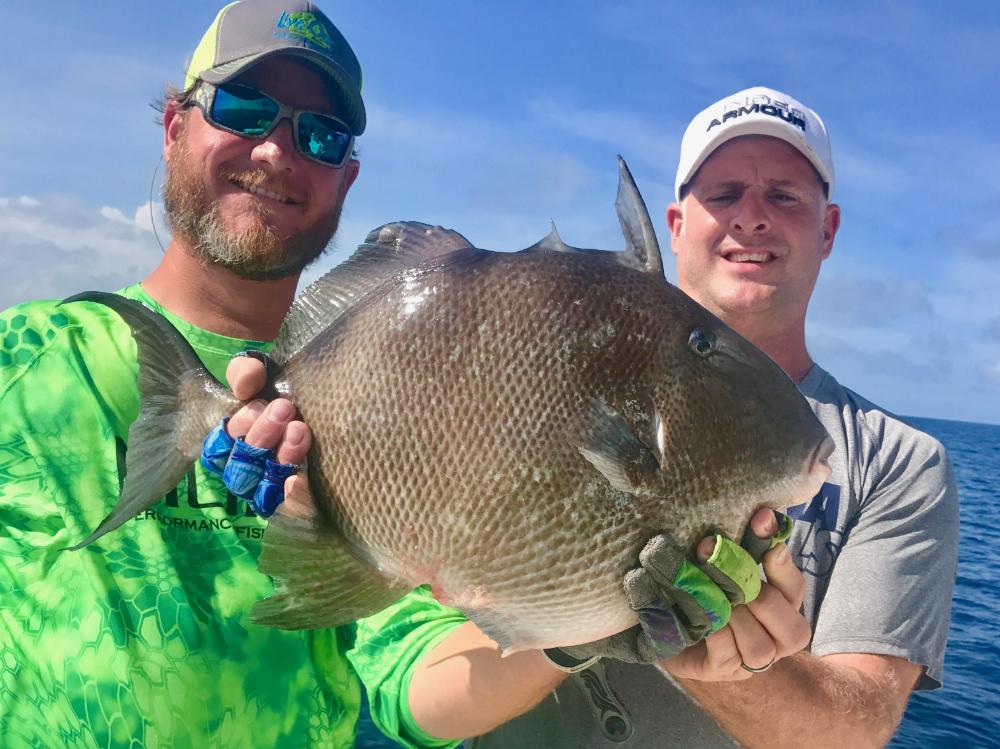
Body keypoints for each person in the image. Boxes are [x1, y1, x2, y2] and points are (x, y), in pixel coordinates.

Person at [1, 1, 755, 746]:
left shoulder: (421, 405)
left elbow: (411, 674)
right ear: (174, 128)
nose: (275, 151)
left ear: (347, 177)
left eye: (319, 135)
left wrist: (572, 632)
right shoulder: (22, 359)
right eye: (242, 107)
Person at [466, 87, 960, 748]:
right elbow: (433, 641)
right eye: (723, 194)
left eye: (783, 195)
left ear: (828, 228)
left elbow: (859, 723)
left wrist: (722, 665)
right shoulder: (534, 376)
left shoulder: (899, 463)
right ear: (675, 225)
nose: (750, 217)